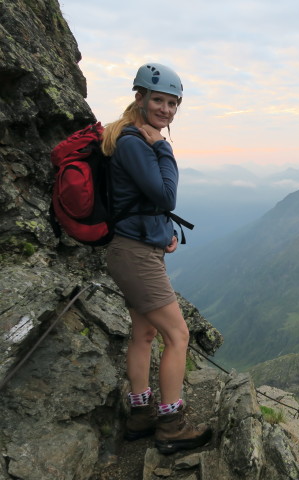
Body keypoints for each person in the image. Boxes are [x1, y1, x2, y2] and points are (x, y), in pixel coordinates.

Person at [102, 63, 211, 454]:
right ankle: (171, 423)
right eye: (159, 100)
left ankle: (140, 414)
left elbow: (139, 201)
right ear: (140, 98)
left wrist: (162, 233)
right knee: (177, 335)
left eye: (172, 103)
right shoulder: (136, 141)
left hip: (134, 249)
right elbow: (165, 196)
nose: (166, 110)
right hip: (134, 256)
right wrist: (163, 147)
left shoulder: (133, 138)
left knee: (145, 334)